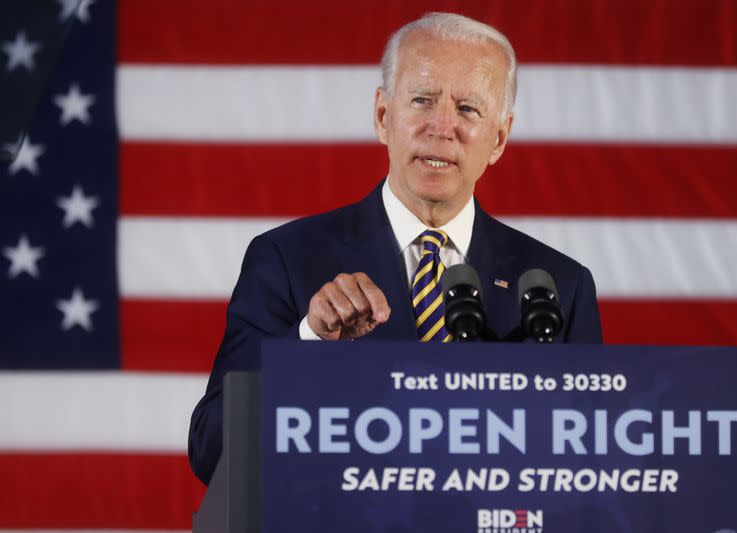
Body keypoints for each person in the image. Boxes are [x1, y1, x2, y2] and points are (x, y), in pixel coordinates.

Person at [188, 12, 603, 485]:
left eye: (468, 109)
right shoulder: (286, 258)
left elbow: (588, 476)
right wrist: (308, 342)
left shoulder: (557, 286)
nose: (442, 127)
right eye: (422, 101)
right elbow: (212, 451)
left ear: (499, 138)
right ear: (383, 116)